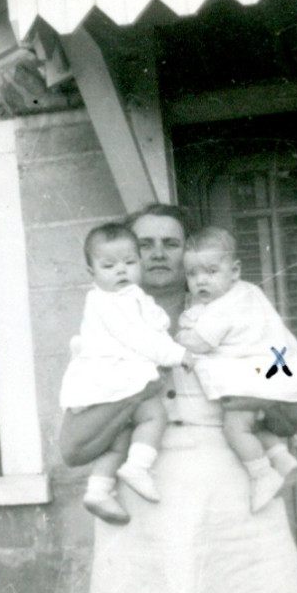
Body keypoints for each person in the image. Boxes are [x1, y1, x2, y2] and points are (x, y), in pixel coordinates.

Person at [60, 204, 297, 593]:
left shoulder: (238, 311)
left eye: (171, 243)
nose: (157, 254)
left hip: (231, 489)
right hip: (143, 496)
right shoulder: (101, 329)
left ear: (189, 251)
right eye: (144, 245)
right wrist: (136, 388)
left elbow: (289, 404)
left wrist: (243, 385)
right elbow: (73, 446)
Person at [59, 222, 193, 525]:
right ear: (92, 271)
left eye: (129, 262)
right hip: (117, 378)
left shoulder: (135, 298)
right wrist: (176, 356)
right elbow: (140, 338)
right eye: (109, 266)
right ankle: (133, 470)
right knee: (147, 417)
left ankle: (98, 490)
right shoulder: (110, 303)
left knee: (122, 438)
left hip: (200, 478)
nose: (121, 270)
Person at [175, 225, 297, 512]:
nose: (201, 281)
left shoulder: (224, 305)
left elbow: (199, 342)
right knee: (253, 423)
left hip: (251, 377)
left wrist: (179, 337)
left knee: (235, 427)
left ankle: (262, 476)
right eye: (192, 274)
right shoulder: (250, 292)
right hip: (273, 373)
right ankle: (281, 456)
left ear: (235, 271)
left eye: (211, 271)